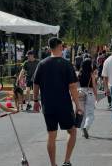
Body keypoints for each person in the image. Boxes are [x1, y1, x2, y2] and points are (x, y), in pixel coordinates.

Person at [33, 37, 83, 166]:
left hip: (47, 105)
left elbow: (35, 84)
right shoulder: (66, 64)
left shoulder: (42, 64)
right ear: (60, 46)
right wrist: (78, 105)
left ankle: (53, 164)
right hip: (64, 105)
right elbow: (72, 87)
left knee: (51, 135)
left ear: (49, 47)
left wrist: (35, 100)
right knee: (72, 131)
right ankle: (66, 161)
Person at [78, 59, 98, 139]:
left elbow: (76, 84)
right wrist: (96, 96)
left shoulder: (80, 73)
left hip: (80, 92)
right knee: (90, 113)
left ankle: (83, 130)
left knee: (83, 113)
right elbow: (94, 85)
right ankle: (86, 126)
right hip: (89, 92)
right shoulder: (91, 73)